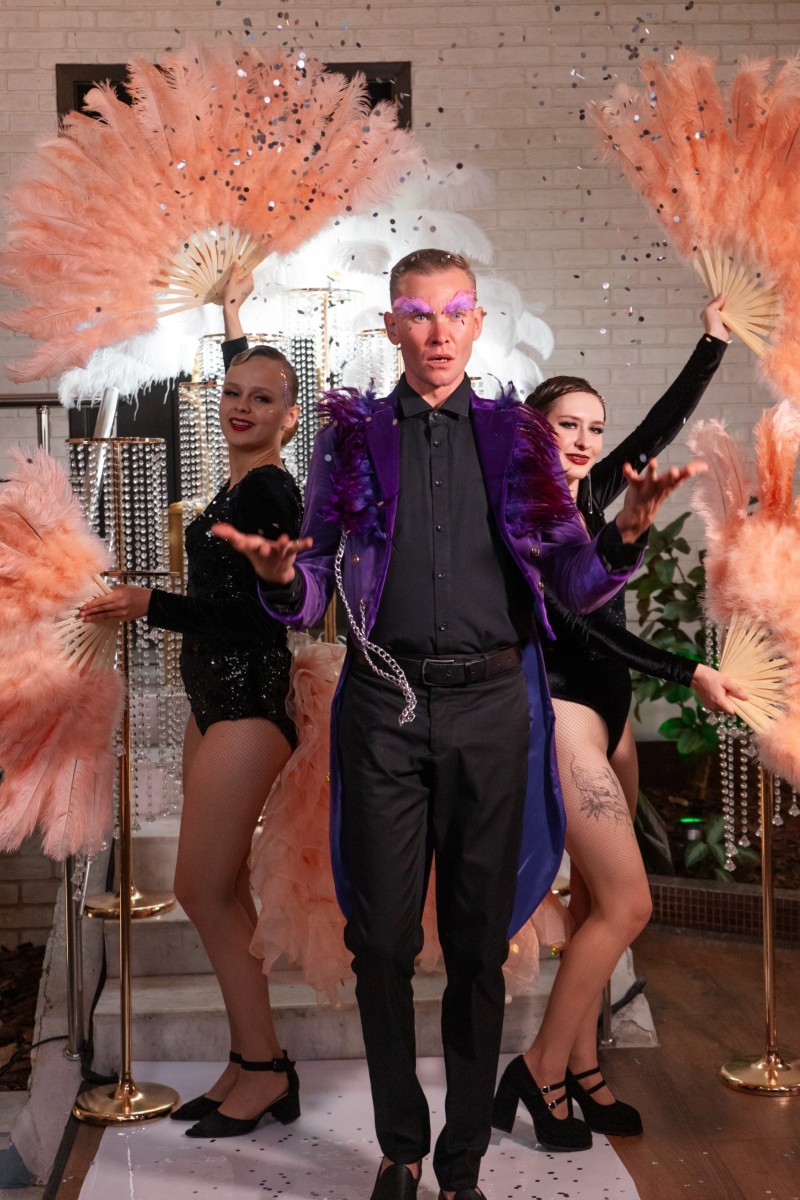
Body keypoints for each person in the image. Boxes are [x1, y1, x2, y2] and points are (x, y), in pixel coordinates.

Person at [214, 248, 706, 1200]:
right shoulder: (349, 439)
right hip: (384, 707)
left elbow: (572, 583)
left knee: (480, 947)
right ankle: (400, 1150)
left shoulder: (518, 440)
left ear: (478, 324)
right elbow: (314, 583)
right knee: (381, 943)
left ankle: (462, 1167)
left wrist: (625, 537)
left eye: (456, 312)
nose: (438, 332)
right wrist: (281, 578)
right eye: (418, 313)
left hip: (491, 708)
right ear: (392, 326)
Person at [491, 299, 746, 1151]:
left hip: (614, 720)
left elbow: (658, 428)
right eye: (567, 424)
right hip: (564, 718)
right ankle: (538, 1070)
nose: (584, 440)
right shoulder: (524, 519)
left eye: (594, 428)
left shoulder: (593, 495)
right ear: (533, 431)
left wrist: (711, 338)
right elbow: (586, 626)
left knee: (603, 902)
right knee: (631, 905)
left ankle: (582, 1067)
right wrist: (689, 670)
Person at [79, 277, 303, 1140]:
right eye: (232, 393)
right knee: (224, 891)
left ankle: (266, 1069)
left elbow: (267, 616)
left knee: (200, 891)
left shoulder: (269, 493)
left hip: (249, 699)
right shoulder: (241, 483)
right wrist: (231, 320)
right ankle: (253, 1061)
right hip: (213, 700)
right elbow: (248, 374)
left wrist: (151, 604)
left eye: (262, 399)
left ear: (290, 418)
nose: (241, 405)